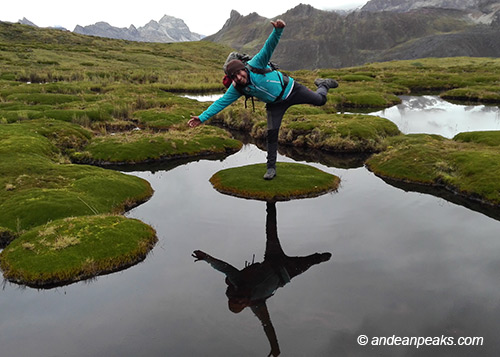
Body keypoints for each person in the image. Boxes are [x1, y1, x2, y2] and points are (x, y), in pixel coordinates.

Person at [187, 19, 338, 180]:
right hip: (275, 105)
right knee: (271, 135)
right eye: (235, 77)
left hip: (292, 89)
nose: (239, 77)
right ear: (232, 79)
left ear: (244, 68)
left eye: (240, 73)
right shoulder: (237, 88)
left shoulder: (256, 63)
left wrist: (278, 30)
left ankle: (323, 84)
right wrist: (202, 118)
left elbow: (269, 46)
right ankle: (271, 169)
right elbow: (220, 103)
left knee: (321, 100)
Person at [192, 202, 332, 356]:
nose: (240, 298)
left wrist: (206, 257)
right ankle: (320, 258)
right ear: (245, 304)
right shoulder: (257, 305)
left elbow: (224, 267)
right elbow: (267, 325)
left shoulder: (238, 281)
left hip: (272, 258)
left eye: (236, 298)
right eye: (240, 302)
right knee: (312, 260)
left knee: (271, 232)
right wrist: (275, 347)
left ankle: (270, 202)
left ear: (234, 294)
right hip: (287, 272)